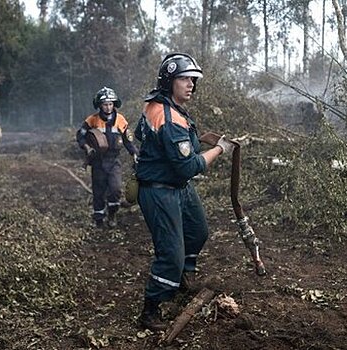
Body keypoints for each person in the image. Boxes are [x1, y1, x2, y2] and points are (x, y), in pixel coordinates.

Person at [133, 53, 235, 331]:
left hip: (177, 186)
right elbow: (189, 166)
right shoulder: (168, 117)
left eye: (193, 80)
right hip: (160, 190)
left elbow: (143, 136)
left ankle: (182, 278)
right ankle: (151, 309)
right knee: (171, 254)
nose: (190, 84)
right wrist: (219, 149)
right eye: (184, 79)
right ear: (169, 81)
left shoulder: (158, 105)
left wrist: (192, 139)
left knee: (198, 231)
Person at [76, 87, 138, 228]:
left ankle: (112, 215)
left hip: (114, 161)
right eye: (105, 104)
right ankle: (99, 220)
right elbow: (80, 136)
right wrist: (87, 147)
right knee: (98, 192)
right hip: (97, 161)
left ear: (114, 104)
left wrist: (134, 153)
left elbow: (128, 140)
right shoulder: (92, 120)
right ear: (99, 105)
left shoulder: (121, 120)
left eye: (110, 104)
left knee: (115, 189)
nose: (108, 107)